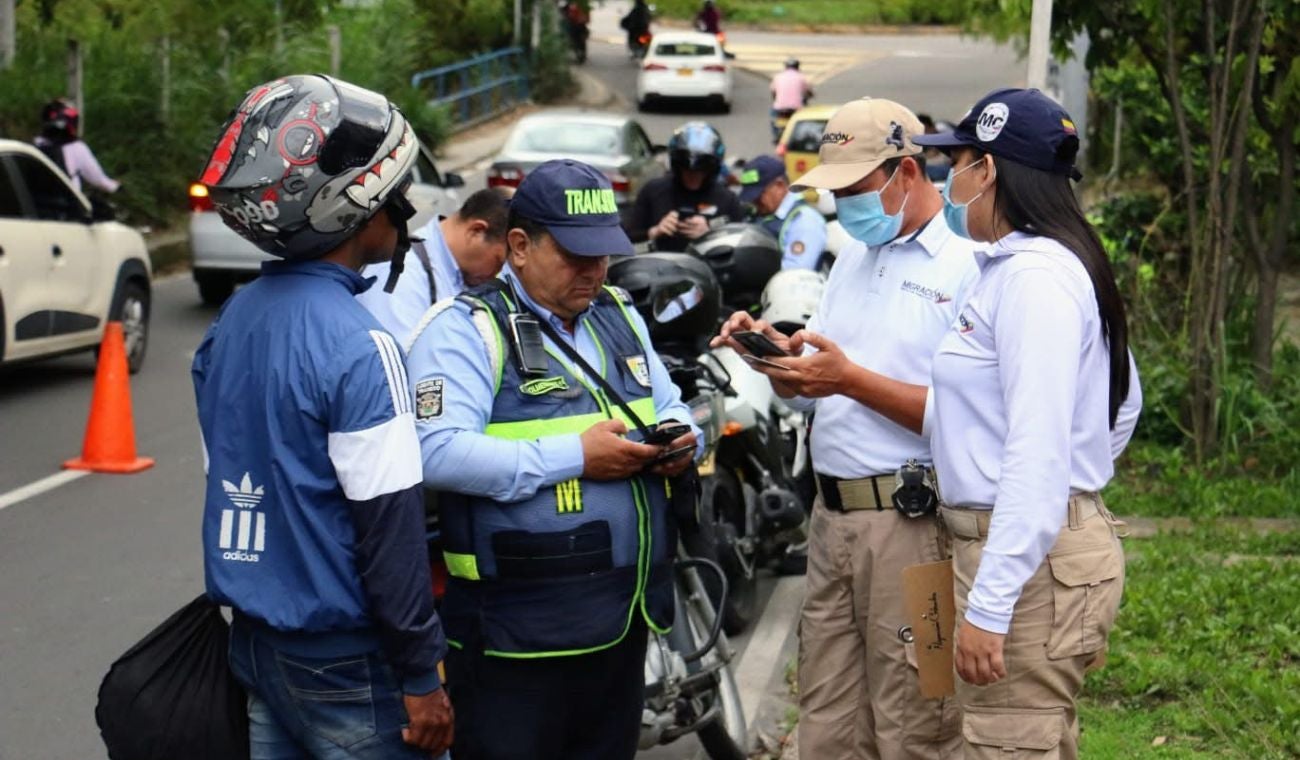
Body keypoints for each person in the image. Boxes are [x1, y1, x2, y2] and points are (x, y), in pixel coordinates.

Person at [192, 75, 453, 759]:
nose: (401, 217)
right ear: (353, 209)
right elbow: (389, 530)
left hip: (256, 643)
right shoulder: (363, 347)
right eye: (393, 200)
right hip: (347, 664)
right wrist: (422, 675)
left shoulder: (232, 321)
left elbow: (231, 471)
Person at [404, 159, 701, 759]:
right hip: (515, 642)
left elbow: (670, 401)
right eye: (575, 256)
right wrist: (575, 457)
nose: (593, 272)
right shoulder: (464, 330)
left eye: (604, 255)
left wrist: (680, 441)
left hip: (620, 625)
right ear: (519, 246)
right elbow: (435, 451)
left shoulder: (616, 314)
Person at [716, 97, 978, 759]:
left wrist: (846, 379)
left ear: (908, 173)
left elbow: (973, 420)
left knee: (918, 722)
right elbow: (817, 390)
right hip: (831, 522)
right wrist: (776, 358)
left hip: (914, 529)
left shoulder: (967, 265)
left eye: (857, 189)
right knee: (828, 722)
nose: (846, 207)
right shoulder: (855, 259)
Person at [356, 188, 510, 345]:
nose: (496, 274)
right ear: (476, 232)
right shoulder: (402, 276)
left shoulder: (453, 271)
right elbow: (400, 364)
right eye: (498, 262)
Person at [626, 121, 744, 252]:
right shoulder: (653, 191)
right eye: (686, 169)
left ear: (711, 169)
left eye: (700, 170)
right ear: (677, 166)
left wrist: (710, 235)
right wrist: (654, 232)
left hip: (705, 269)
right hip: (658, 266)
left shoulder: (728, 200)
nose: (693, 175)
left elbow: (739, 247)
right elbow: (627, 241)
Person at [737, 154, 827, 271]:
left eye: (759, 195)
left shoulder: (804, 220)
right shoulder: (760, 214)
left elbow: (795, 274)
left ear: (779, 185)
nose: (755, 201)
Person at [33, 98, 120, 194]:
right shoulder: (77, 148)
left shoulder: (35, 144)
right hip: (67, 205)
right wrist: (115, 187)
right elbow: (99, 181)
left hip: (36, 203)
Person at [770, 58, 813, 142]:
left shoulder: (778, 76)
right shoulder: (801, 77)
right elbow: (808, 92)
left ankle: (775, 134)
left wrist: (776, 99)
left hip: (780, 107)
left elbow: (773, 91)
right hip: (797, 107)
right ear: (797, 67)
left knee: (773, 119)